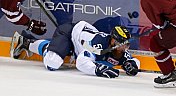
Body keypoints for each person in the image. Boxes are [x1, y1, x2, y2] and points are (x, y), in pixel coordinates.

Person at [12, 20, 140, 78]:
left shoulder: (120, 51)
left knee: (61, 55)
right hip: (69, 33)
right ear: (112, 40)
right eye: (121, 43)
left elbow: (133, 60)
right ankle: (27, 42)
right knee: (52, 63)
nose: (124, 47)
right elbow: (81, 62)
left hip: (81, 41)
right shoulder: (98, 45)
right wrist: (97, 70)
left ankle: (57, 47)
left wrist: (132, 65)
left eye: (126, 44)